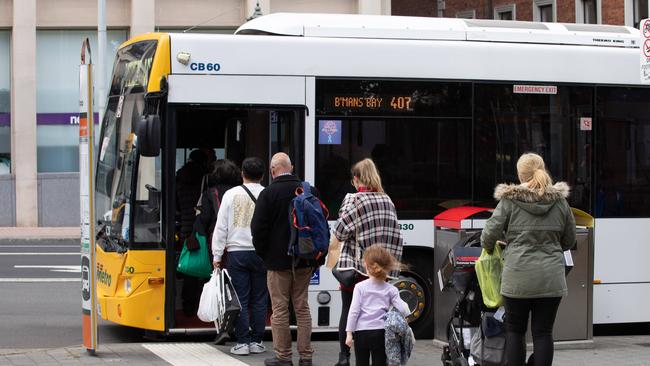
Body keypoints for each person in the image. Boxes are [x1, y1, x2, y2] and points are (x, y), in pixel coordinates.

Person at [480, 152, 576, 366]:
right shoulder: (560, 202)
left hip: (517, 278)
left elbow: (488, 236)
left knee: (515, 331)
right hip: (551, 279)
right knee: (543, 333)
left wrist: (495, 245)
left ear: (520, 175)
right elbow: (569, 241)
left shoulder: (509, 201)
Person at [331, 158, 403, 366]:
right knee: (377, 311)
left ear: (356, 179)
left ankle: (345, 356)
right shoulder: (387, 200)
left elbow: (340, 232)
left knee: (349, 309)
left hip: (356, 269)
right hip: (380, 268)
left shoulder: (354, 200)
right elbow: (395, 234)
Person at [251, 152, 320, 366]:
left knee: (280, 309)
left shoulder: (268, 193)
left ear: (273, 171)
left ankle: (283, 357)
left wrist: (265, 255)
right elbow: (320, 227)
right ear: (291, 167)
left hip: (277, 262)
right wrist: (316, 258)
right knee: (302, 307)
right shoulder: (309, 190)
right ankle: (306, 357)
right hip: (305, 259)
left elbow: (258, 230)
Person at [212, 157, 268, 356]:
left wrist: (217, 255)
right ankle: (257, 341)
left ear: (242, 174)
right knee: (260, 299)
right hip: (261, 253)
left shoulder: (230, 194)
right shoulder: (266, 194)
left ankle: (243, 342)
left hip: (236, 253)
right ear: (262, 175)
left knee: (240, 298)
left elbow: (221, 227)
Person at [181, 158, 241, 317]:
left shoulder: (210, 193)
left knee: (217, 277)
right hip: (238, 240)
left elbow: (204, 219)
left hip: (216, 239)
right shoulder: (240, 191)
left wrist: (195, 234)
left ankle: (218, 313)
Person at [345, 244, 410, 366]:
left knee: (361, 363)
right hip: (381, 332)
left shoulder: (359, 287)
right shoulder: (391, 289)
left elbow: (354, 311)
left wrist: (349, 333)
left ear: (366, 266)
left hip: (361, 332)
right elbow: (403, 310)